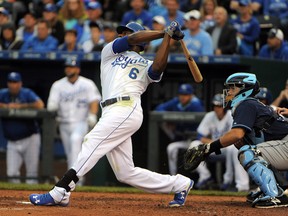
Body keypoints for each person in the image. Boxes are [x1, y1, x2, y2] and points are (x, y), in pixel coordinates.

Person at [29, 21, 194, 208]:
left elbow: (157, 68)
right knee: (125, 173)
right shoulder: (109, 52)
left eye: (126, 32)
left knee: (91, 140)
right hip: (110, 111)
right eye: (122, 32)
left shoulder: (147, 63)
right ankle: (180, 183)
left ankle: (61, 190)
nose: (122, 35)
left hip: (127, 107)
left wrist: (167, 38)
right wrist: (164, 32)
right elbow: (133, 39)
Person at [186, 72, 288, 208]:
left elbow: (236, 134)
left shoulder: (246, 103)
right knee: (247, 147)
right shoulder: (251, 104)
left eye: (233, 88)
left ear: (245, 89)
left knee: (249, 153)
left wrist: (209, 147)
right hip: (283, 143)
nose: (229, 91)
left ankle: (275, 196)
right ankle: (274, 189)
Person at [46, 56, 101, 185]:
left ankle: (75, 180)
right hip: (63, 123)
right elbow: (52, 103)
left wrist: (92, 115)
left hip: (80, 122)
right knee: (70, 153)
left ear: (78, 69)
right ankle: (76, 179)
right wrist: (52, 105)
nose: (69, 69)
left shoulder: (87, 83)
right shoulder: (58, 85)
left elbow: (94, 101)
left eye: (72, 67)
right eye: (67, 67)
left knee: (75, 141)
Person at [189, 94, 250, 191]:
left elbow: (237, 136)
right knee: (194, 145)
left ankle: (228, 181)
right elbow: (200, 136)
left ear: (225, 106)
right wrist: (214, 144)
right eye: (215, 106)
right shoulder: (209, 116)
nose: (217, 108)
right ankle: (205, 176)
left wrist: (220, 143)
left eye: (219, 106)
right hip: (214, 147)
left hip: (228, 147)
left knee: (233, 148)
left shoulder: (232, 115)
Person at [0, 72, 44, 184]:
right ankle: (15, 199)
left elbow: (40, 104)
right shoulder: (3, 94)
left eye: (15, 82)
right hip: (12, 141)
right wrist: (4, 106)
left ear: (20, 83)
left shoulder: (26, 93)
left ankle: (33, 199)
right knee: (11, 174)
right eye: (10, 82)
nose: (12, 85)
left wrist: (21, 107)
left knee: (31, 174)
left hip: (30, 138)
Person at [154, 83, 204, 175]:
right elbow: (159, 109)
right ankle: (173, 176)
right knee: (171, 148)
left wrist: (177, 121)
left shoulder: (196, 104)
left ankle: (205, 177)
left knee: (195, 153)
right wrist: (170, 119)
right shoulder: (176, 101)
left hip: (197, 140)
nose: (183, 97)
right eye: (181, 94)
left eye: (186, 95)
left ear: (191, 95)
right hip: (184, 139)